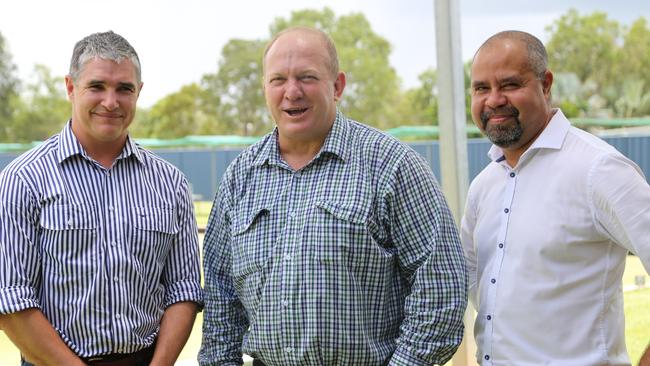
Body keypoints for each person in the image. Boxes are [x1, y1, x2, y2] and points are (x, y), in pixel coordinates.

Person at [199, 26, 467, 366]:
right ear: (265, 88)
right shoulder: (240, 177)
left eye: (307, 77)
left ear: (337, 85)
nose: (292, 92)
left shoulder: (392, 166)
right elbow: (221, 301)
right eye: (278, 79)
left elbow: (440, 288)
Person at [0, 31, 203, 365]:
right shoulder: (24, 180)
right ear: (70, 87)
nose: (111, 102)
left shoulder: (170, 183)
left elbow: (183, 289)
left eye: (124, 88)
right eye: (96, 87)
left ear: (138, 92)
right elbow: (11, 302)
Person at [461, 30, 650, 365]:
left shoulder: (599, 170)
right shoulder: (483, 187)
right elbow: (471, 283)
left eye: (509, 85)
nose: (493, 100)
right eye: (481, 88)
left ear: (545, 84)